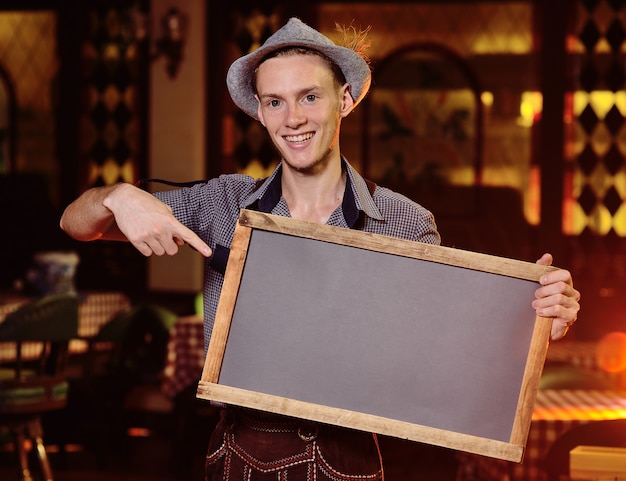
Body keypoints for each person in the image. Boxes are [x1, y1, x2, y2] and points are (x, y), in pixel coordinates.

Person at [60, 17, 580, 481]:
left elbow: (445, 355)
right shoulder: (221, 202)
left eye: (310, 96)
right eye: (274, 102)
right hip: (237, 457)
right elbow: (76, 224)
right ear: (260, 114)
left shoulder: (404, 221)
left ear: (346, 99)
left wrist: (533, 322)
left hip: (350, 461)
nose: (293, 118)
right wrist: (118, 196)